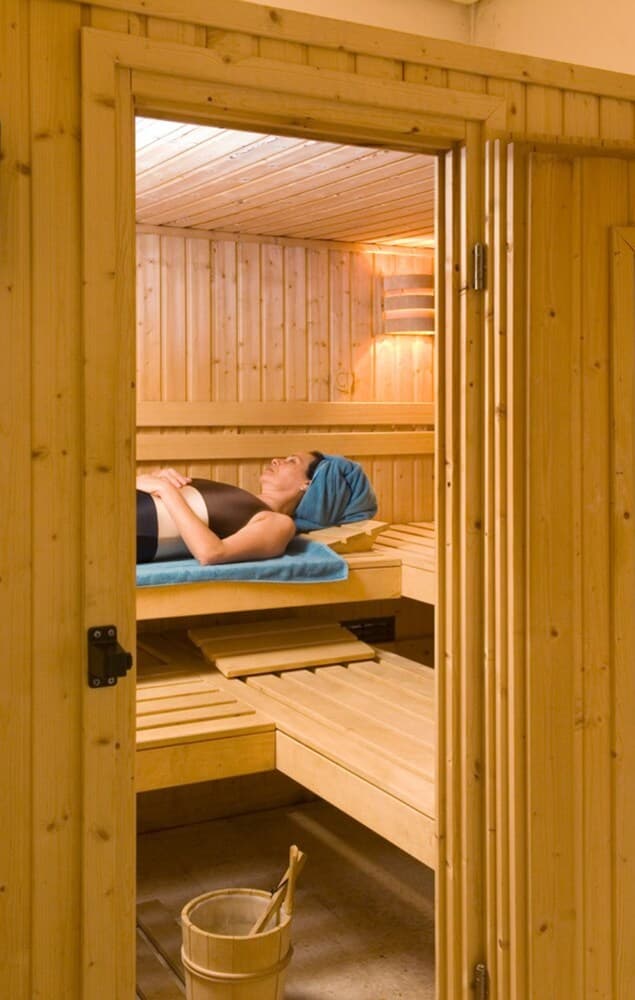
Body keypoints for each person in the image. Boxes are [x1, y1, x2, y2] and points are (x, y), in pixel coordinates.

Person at [136, 450, 378, 566]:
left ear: (308, 484)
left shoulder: (279, 524)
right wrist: (151, 479)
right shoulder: (241, 497)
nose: (276, 460)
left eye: (291, 461)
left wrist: (165, 490)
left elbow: (212, 553)